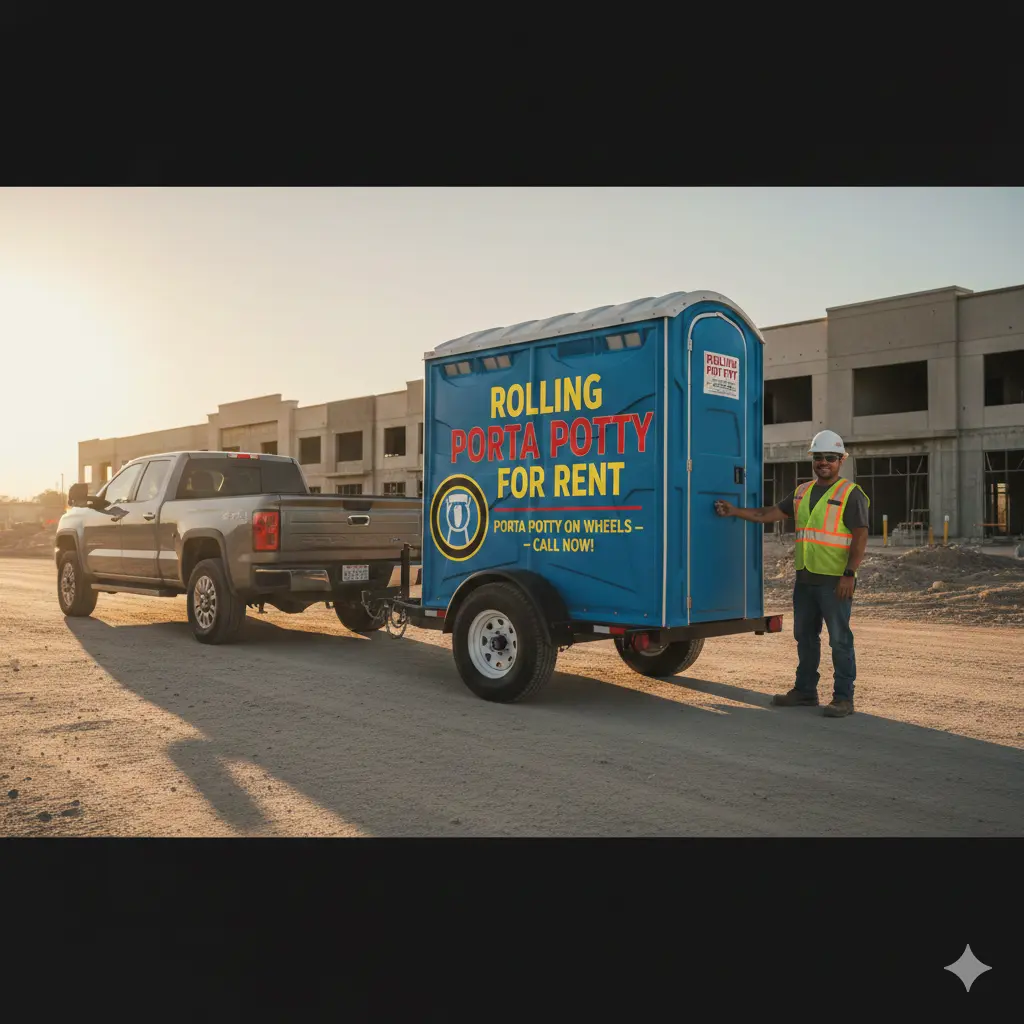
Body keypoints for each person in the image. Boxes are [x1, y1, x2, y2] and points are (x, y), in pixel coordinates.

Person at [714, 430, 869, 718]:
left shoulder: (851, 494)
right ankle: (805, 692)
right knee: (805, 637)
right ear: (813, 459)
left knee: (839, 640)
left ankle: (843, 698)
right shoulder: (802, 492)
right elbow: (770, 513)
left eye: (831, 458)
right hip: (806, 579)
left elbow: (860, 537)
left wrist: (849, 573)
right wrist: (735, 511)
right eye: (819, 457)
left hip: (835, 581)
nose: (824, 462)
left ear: (841, 460)